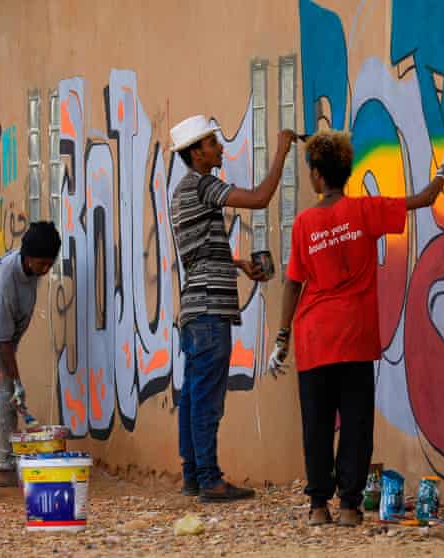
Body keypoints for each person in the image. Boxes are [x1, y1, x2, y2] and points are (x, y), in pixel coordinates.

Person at [268, 130, 444, 526]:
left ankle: (318, 506)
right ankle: (348, 507)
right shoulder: (365, 211)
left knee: (317, 425)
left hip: (314, 339)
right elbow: (423, 199)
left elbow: (293, 282)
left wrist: (281, 338)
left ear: (318, 175)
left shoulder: (305, 223)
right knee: (356, 422)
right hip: (355, 338)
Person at [168, 114, 296, 502]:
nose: (219, 148)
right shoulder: (203, 185)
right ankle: (209, 479)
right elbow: (259, 198)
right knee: (206, 397)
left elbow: (199, 253)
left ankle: (194, 474)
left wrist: (237, 264)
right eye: (212, 144)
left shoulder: (184, 190)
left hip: (196, 307)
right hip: (209, 310)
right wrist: (281, 151)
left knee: (193, 393)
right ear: (196, 153)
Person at [0, 221, 61, 487]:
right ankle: (4, 464)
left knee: (3, 393)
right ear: (27, 257)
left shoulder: (31, 273)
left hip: (3, 337)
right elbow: (3, 339)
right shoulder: (7, 280)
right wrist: (17, 381)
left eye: (49, 264)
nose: (45, 270)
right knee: (5, 392)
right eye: (42, 264)